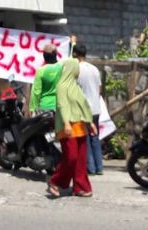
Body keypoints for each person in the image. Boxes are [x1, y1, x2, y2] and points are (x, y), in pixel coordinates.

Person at [47, 58, 98, 198]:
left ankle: (80, 187)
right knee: (71, 157)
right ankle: (55, 181)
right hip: (67, 127)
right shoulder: (62, 86)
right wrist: (67, 123)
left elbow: (84, 106)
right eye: (77, 69)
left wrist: (90, 123)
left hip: (80, 126)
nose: (79, 72)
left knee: (81, 159)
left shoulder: (75, 86)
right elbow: (62, 105)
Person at [72, 43, 103, 175]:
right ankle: (99, 167)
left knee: (85, 139)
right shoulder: (95, 69)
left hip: (83, 108)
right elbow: (99, 89)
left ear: (74, 54)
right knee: (95, 137)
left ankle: (90, 168)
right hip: (96, 108)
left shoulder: (76, 69)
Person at [30, 44, 62, 114]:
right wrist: (73, 45)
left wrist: (32, 108)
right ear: (56, 54)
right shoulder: (62, 68)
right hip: (60, 108)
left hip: (44, 108)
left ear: (44, 56)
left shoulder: (41, 71)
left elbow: (36, 92)